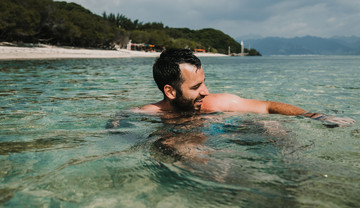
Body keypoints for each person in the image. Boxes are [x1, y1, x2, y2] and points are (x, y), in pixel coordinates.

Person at [139, 48, 355, 127]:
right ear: (170, 91)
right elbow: (119, 122)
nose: (205, 90)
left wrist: (316, 116)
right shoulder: (150, 114)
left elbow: (269, 107)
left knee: (274, 128)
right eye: (196, 86)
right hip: (187, 147)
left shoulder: (215, 103)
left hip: (223, 132)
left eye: (204, 82)